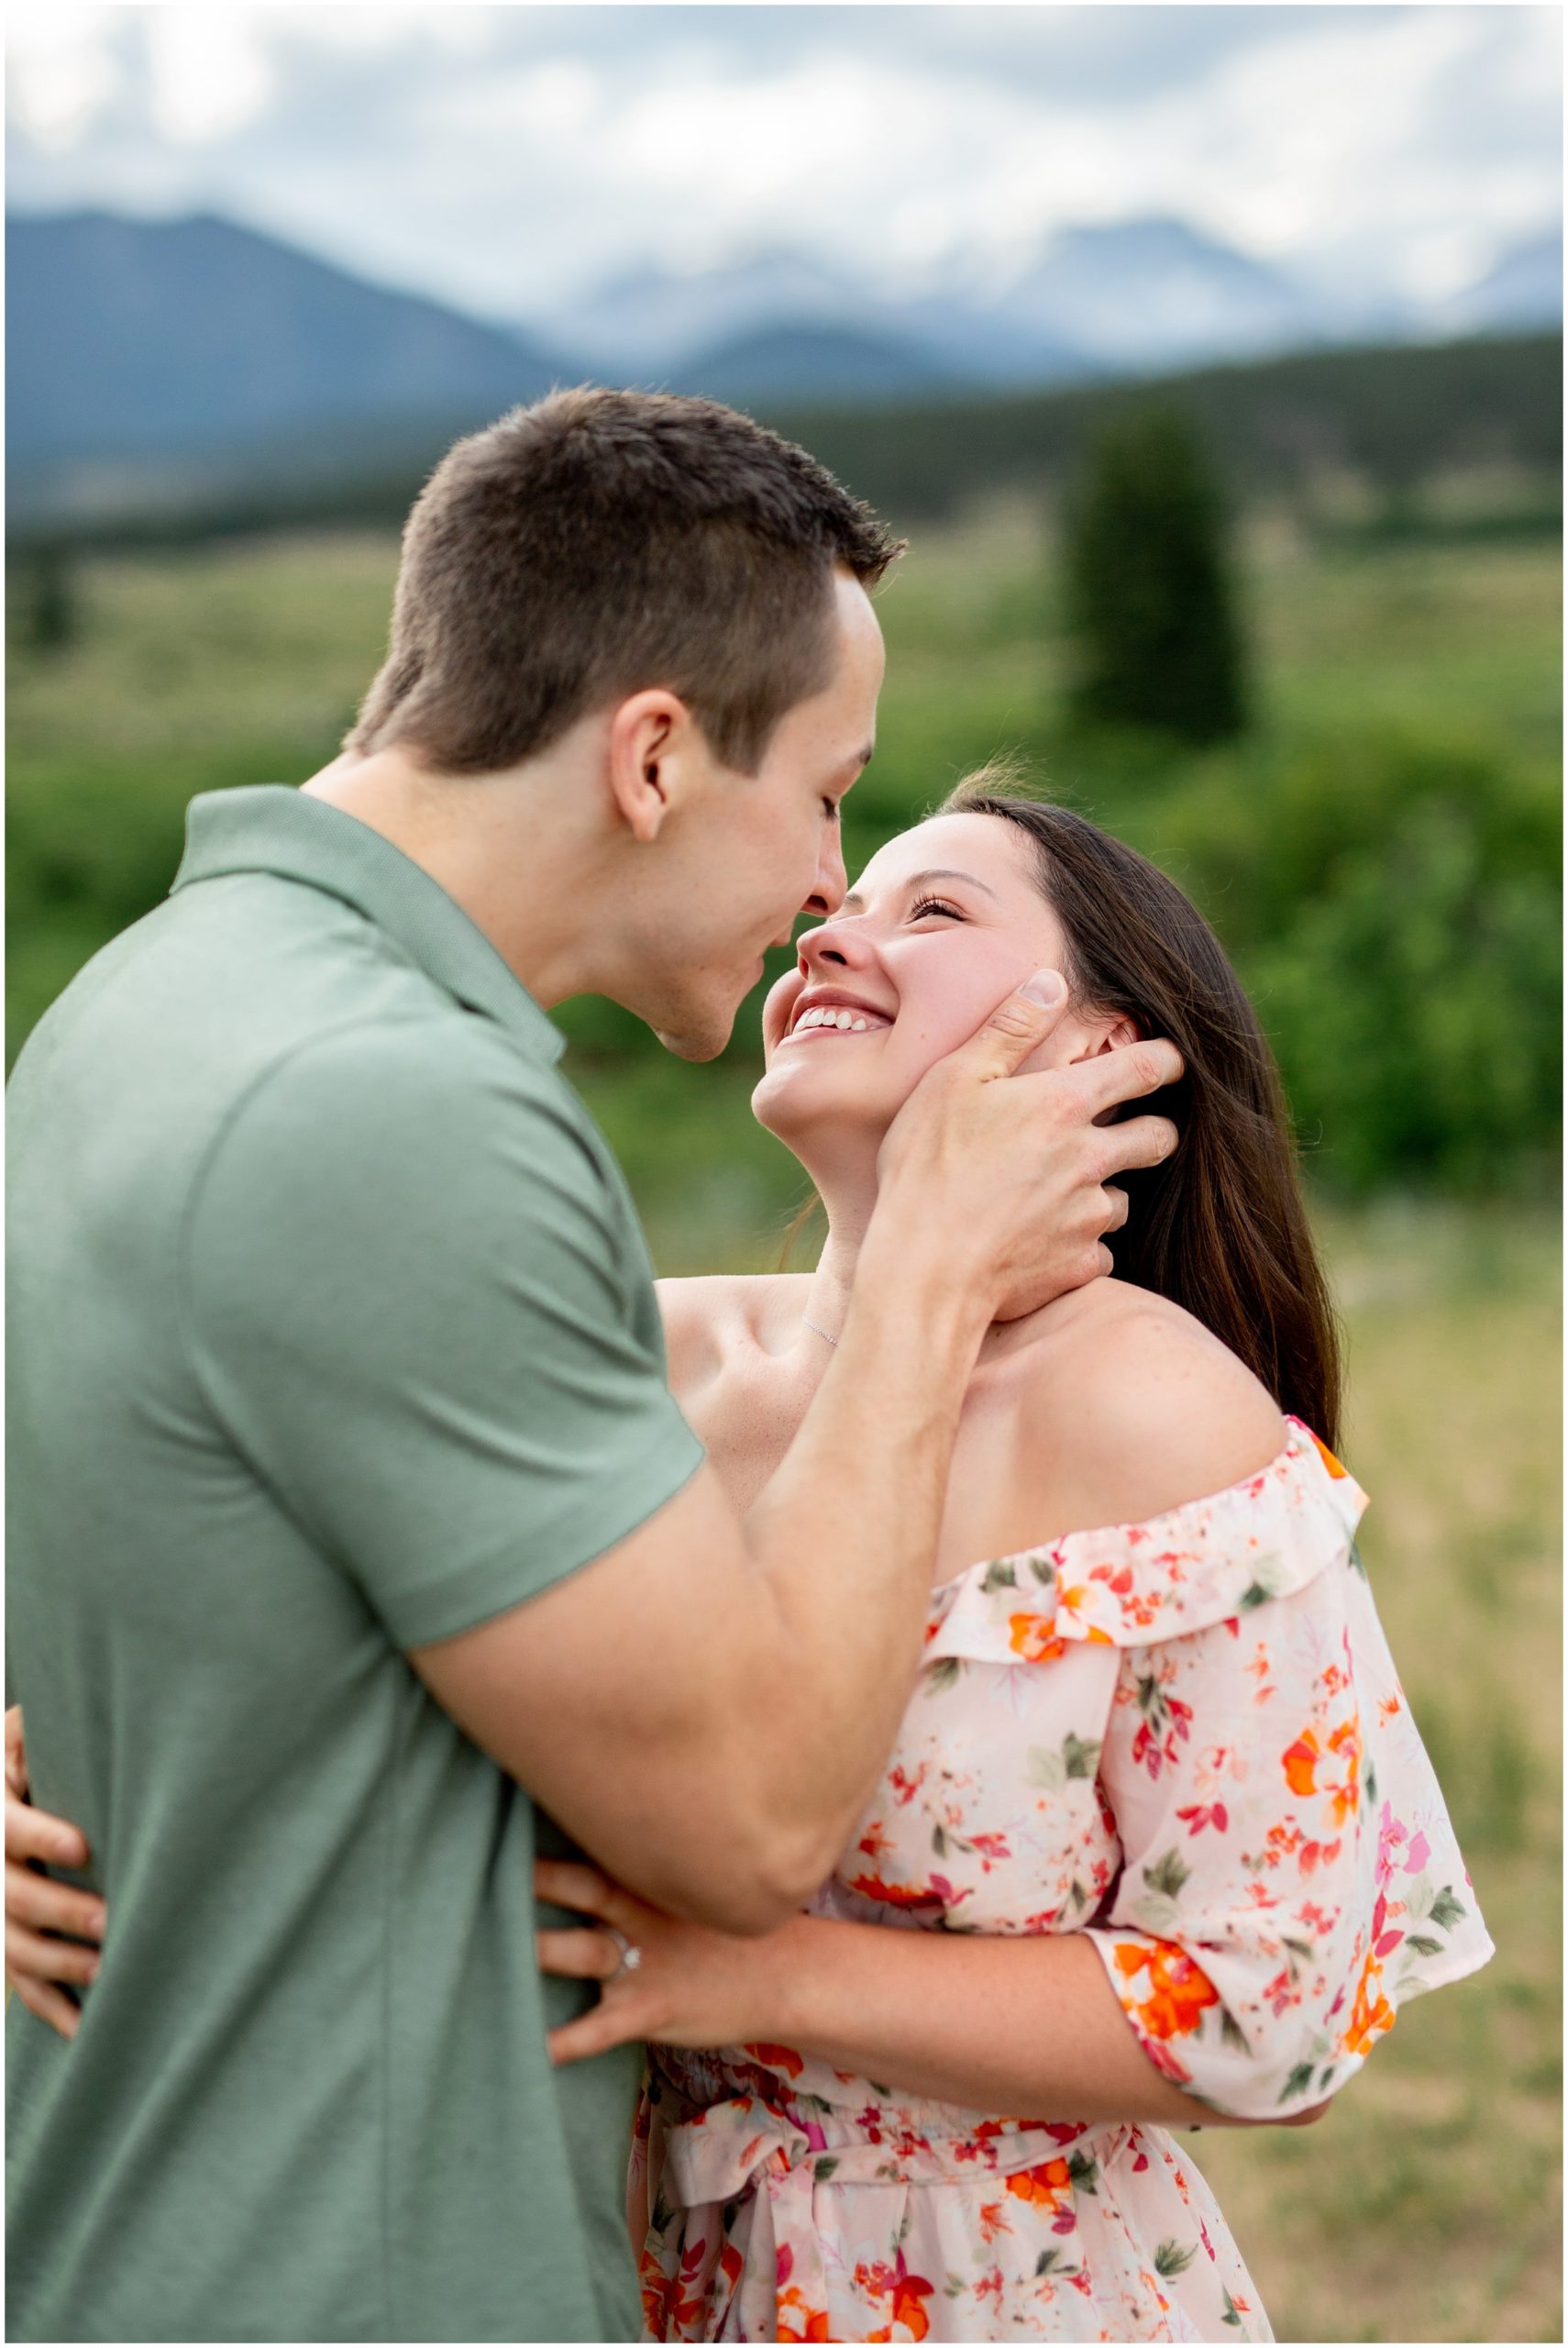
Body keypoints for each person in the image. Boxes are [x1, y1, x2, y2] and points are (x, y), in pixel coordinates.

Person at [11, 779, 1495, 2342]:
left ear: (1092, 1054)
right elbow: (235, 1578)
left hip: (1008, 2298)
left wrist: (759, 1976)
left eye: (930, 910)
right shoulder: (628, 1351)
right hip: (599, 2267)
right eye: (846, 899)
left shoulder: (1151, 1411)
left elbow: (1274, 2014)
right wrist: (51, 1775)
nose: (833, 925)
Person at [3, 393, 1184, 2345]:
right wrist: (925, 1279)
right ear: (651, 754)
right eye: (825, 794)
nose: (830, 882)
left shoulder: (135, 1003)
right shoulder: (405, 1109)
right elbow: (745, 1827)